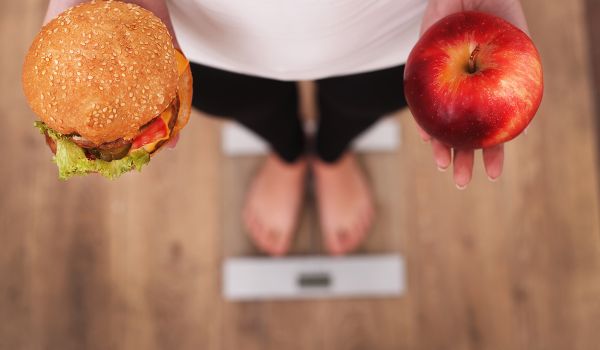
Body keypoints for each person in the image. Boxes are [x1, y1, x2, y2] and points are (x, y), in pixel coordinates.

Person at [44, 0, 529, 256]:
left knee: (362, 101)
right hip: (197, 24)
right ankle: (288, 153)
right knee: (245, 102)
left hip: (403, 25)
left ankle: (332, 153)